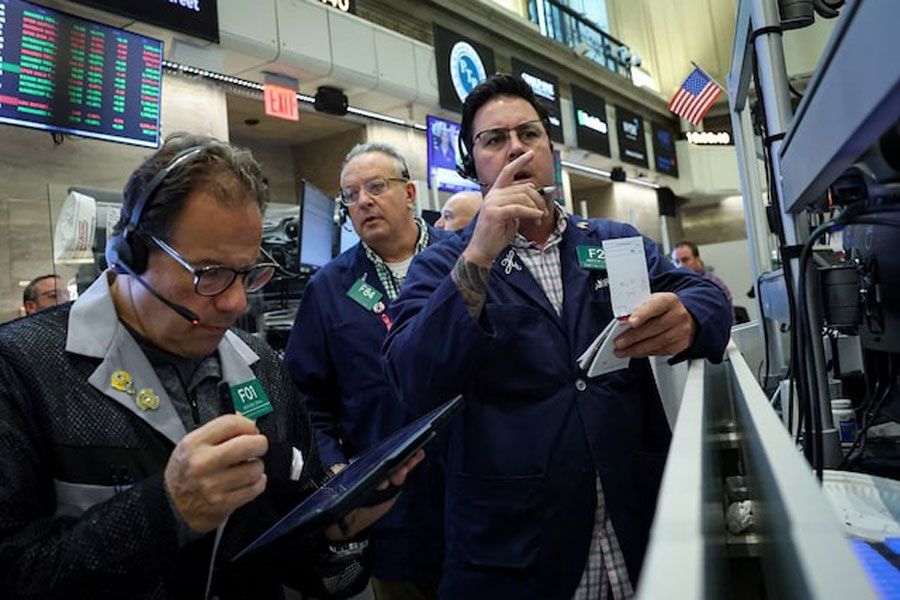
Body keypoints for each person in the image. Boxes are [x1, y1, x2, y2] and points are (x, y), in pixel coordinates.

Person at [0, 134, 422, 599]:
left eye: (247, 273)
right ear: (130, 255)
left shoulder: (262, 368)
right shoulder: (21, 370)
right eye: (210, 273)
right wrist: (166, 512)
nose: (237, 302)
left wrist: (339, 532)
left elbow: (305, 572)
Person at [383, 74, 732, 599]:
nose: (516, 148)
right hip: (516, 554)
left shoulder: (612, 241)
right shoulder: (442, 264)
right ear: (472, 163)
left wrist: (689, 315)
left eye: (529, 134)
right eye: (494, 140)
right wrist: (480, 252)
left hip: (636, 530)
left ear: (552, 150)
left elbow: (709, 298)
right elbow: (414, 379)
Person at [285, 143, 451, 598]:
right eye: (350, 195)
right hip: (391, 507)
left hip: (479, 489)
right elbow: (305, 397)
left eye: (376, 187)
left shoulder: (463, 260)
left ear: (410, 192)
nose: (363, 202)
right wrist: (334, 465)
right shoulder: (329, 288)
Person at [671, 240, 736, 323]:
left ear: (697, 259)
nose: (680, 266)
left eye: (685, 260)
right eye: (676, 262)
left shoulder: (713, 284)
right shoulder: (674, 287)